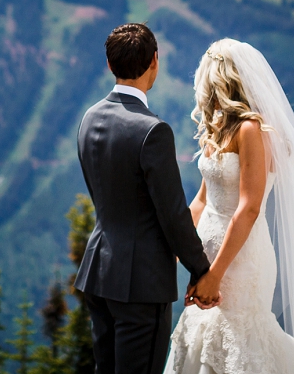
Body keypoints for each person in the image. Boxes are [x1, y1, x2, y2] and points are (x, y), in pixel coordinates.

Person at [165, 39, 294, 374]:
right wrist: (176, 250)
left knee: (240, 337)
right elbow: (202, 199)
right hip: (206, 260)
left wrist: (216, 273)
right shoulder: (217, 130)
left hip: (241, 263)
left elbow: (250, 208)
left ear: (222, 81)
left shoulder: (250, 130)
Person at [74, 23, 213, 374]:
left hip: (99, 274)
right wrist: (202, 270)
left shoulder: (90, 118)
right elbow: (172, 214)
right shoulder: (153, 131)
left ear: (110, 65)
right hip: (140, 283)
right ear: (155, 61)